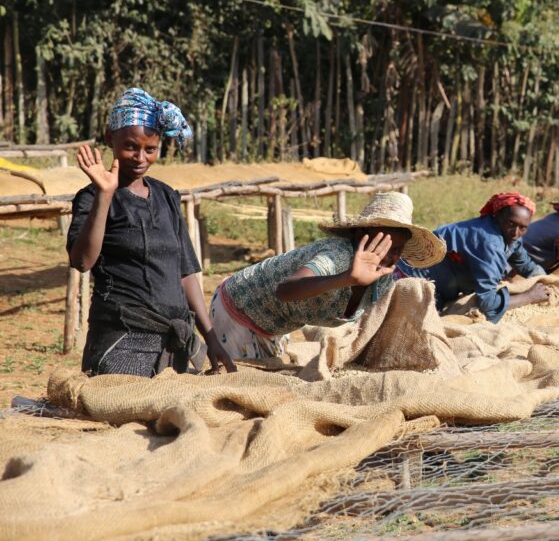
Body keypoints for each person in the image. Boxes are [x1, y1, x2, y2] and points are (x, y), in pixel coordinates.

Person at [67, 87, 236, 377]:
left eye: (150, 149)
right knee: (125, 398)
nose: (140, 157)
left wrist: (211, 338)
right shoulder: (91, 198)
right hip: (122, 338)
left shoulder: (166, 196)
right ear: (109, 138)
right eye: (130, 146)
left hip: (172, 345)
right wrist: (105, 194)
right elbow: (82, 261)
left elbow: (185, 273)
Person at [208, 192, 445, 359]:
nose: (387, 255)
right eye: (381, 244)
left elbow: (372, 326)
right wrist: (347, 278)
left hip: (274, 326)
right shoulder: (338, 255)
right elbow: (285, 290)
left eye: (396, 249)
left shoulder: (381, 281)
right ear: (361, 234)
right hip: (238, 308)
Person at [397, 193, 551, 322]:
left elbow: (525, 265)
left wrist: (549, 282)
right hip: (411, 282)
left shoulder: (510, 238)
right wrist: (529, 296)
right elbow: (488, 303)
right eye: (511, 223)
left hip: (439, 287)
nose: (516, 233)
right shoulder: (489, 242)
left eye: (523, 227)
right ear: (497, 215)